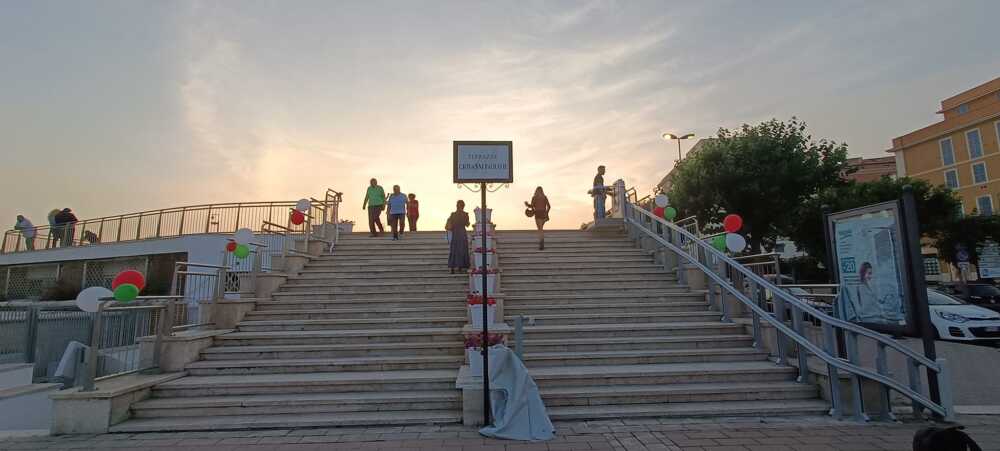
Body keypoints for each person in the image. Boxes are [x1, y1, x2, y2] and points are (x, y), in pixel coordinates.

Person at [446, 200, 471, 274]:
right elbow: (467, 224)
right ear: (463, 206)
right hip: (462, 233)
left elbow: (450, 223)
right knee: (462, 249)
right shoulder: (465, 214)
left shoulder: (453, 214)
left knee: (454, 250)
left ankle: (452, 268)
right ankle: (460, 267)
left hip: (455, 233)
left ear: (457, 206)